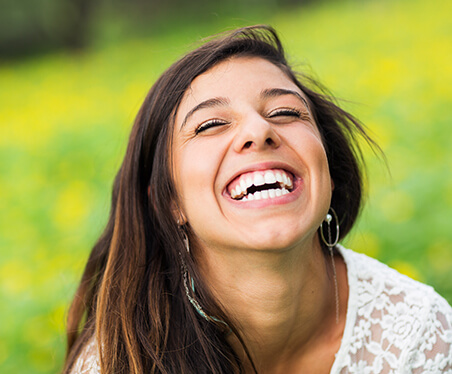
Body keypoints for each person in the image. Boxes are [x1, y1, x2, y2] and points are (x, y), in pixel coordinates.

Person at [63, 25, 452, 374]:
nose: (259, 129)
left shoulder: (419, 335)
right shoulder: (119, 362)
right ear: (169, 203)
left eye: (285, 112)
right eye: (211, 124)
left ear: (328, 171)